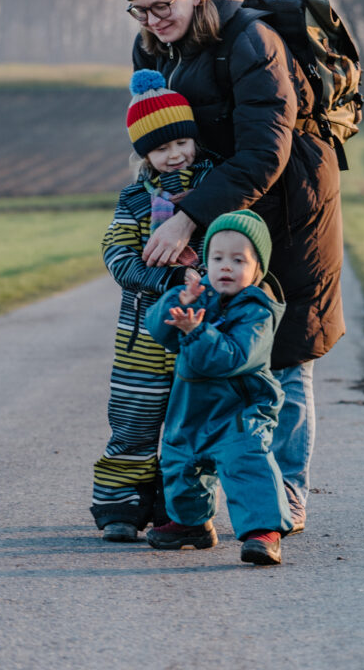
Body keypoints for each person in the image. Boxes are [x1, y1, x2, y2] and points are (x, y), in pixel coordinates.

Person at [124, 0, 346, 533]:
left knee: (284, 350)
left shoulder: (253, 40)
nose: (151, 21)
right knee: (203, 342)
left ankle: (287, 494)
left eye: (161, 6)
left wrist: (189, 217)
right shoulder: (154, 47)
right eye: (137, 11)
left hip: (291, 207)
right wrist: (157, 202)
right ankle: (191, 495)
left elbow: (264, 152)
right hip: (219, 210)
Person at [90, 69, 214, 541]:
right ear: (144, 155)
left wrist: (201, 276)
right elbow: (118, 255)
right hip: (142, 337)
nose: (174, 154)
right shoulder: (135, 200)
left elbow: (226, 245)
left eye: (180, 142)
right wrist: (166, 278)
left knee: (192, 429)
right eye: (160, 149)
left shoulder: (212, 190)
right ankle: (119, 507)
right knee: (133, 422)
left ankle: (181, 510)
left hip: (196, 333)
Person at [145, 210, 292, 565]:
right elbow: (159, 330)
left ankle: (263, 531)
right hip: (192, 408)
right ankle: (191, 524)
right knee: (181, 463)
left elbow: (231, 358)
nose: (226, 267)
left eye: (238, 260)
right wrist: (176, 304)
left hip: (239, 410)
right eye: (217, 258)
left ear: (258, 269)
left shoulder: (257, 311)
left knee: (246, 463)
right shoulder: (199, 295)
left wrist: (195, 331)